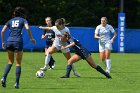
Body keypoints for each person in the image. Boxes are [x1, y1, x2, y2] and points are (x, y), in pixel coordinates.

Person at [1, 6, 36, 89]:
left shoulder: (10, 21)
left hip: (9, 41)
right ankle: (16, 83)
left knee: (10, 61)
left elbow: (2, 31)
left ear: (14, 13)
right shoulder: (23, 20)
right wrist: (31, 38)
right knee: (18, 63)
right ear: (22, 13)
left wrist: (3, 42)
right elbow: (27, 28)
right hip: (18, 41)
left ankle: (3, 78)